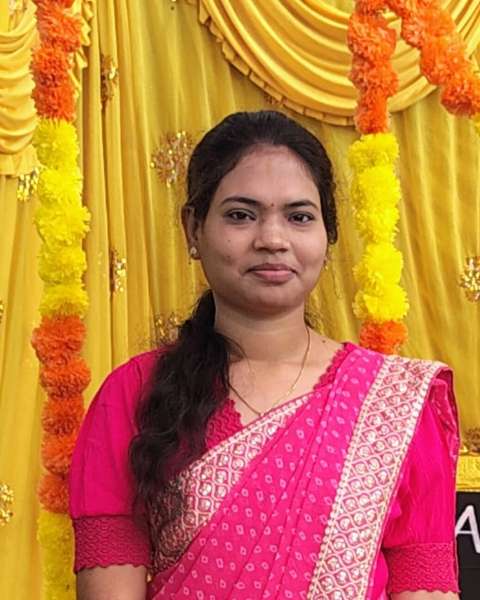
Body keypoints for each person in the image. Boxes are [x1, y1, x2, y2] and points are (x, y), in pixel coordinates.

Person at [69, 110, 460, 599]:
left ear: (328, 235)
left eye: (299, 217)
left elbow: (424, 584)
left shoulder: (394, 403)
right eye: (240, 215)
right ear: (193, 229)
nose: (272, 240)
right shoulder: (134, 395)